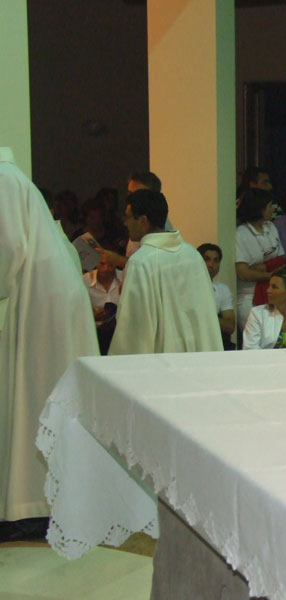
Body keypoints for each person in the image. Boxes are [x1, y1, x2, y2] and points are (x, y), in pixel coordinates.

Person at [0, 147, 98, 524]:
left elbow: (9, 245)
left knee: (38, 391)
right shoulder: (11, 177)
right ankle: (46, 497)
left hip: (43, 295)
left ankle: (37, 502)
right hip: (45, 290)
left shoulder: (5, 178)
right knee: (41, 391)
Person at [108, 189, 222, 355]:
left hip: (164, 362)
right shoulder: (192, 255)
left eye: (127, 217)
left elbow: (134, 325)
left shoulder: (141, 262)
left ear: (143, 220)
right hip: (199, 358)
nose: (124, 223)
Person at [235, 188, 286, 332]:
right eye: (270, 206)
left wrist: (259, 267)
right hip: (249, 297)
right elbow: (243, 272)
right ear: (260, 209)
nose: (273, 209)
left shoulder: (271, 227)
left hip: (274, 294)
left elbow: (282, 261)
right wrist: (269, 274)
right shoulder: (241, 234)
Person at [83, 248, 123, 354]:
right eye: (102, 264)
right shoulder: (84, 281)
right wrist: (93, 317)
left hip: (120, 331)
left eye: (110, 264)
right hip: (95, 334)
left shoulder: (125, 278)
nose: (106, 269)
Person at [198, 243, 236, 350]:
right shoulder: (185, 287)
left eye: (216, 260)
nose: (211, 264)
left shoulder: (222, 289)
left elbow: (230, 326)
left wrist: (203, 317)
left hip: (217, 342)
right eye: (207, 259)